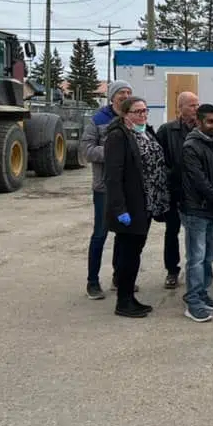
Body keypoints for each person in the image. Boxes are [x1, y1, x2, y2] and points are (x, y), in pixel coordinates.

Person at [104, 96, 169, 318]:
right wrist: (120, 209)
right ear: (125, 114)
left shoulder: (145, 131)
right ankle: (123, 301)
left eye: (145, 111)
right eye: (137, 111)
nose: (142, 115)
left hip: (147, 204)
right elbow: (113, 176)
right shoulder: (118, 136)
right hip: (130, 206)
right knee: (128, 254)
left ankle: (129, 296)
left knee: (135, 251)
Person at [179, 103, 213, 323]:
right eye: (210, 121)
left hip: (212, 210)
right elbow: (198, 180)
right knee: (196, 258)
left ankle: (202, 292)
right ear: (199, 122)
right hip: (195, 211)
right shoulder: (191, 146)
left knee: (209, 256)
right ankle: (192, 302)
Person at [81, 79, 132, 300]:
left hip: (127, 188)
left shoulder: (131, 118)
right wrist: (113, 152)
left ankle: (119, 277)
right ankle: (92, 282)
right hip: (104, 188)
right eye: (121, 92)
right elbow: (86, 149)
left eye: (129, 92)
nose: (125, 95)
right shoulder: (98, 120)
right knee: (100, 234)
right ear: (112, 96)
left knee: (123, 234)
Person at [156, 90, 199, 289]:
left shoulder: (203, 129)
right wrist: (170, 175)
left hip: (196, 193)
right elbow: (157, 160)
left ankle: (197, 270)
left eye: (197, 105)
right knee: (171, 231)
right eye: (191, 105)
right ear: (180, 108)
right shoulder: (166, 131)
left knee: (196, 233)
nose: (196, 109)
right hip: (174, 191)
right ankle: (172, 270)